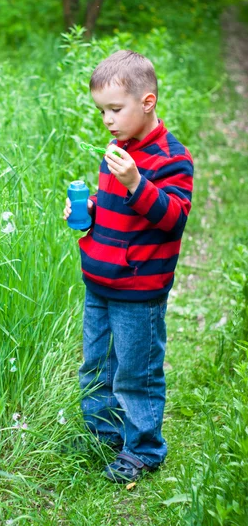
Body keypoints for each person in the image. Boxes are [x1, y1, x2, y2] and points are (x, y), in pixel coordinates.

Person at [63, 50, 194, 484]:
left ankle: (144, 448)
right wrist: (88, 210)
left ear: (148, 102)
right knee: (96, 366)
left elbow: (172, 216)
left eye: (115, 110)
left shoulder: (172, 159)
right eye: (102, 111)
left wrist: (137, 183)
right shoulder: (116, 151)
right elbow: (115, 205)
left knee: (136, 372)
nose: (108, 120)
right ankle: (106, 434)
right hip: (99, 280)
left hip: (139, 289)